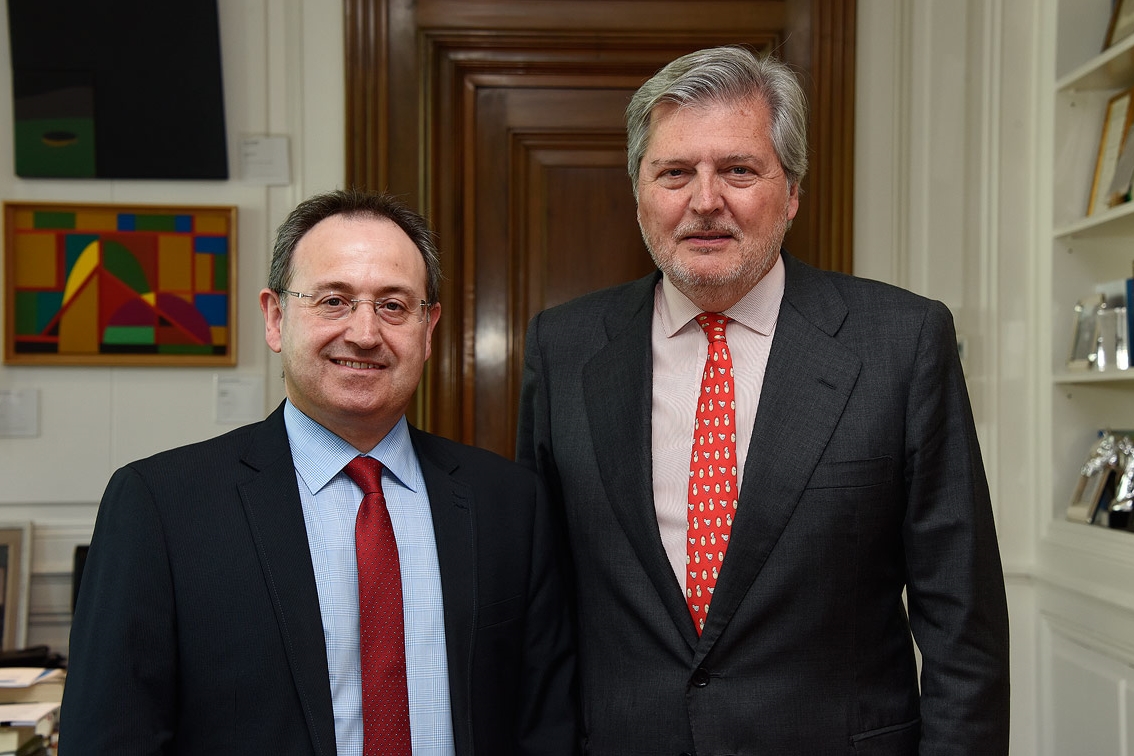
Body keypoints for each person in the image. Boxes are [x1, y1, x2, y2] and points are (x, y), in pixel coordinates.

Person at [516, 45, 1010, 754]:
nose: (705, 200)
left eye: (739, 170)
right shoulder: (563, 348)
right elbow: (544, 607)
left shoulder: (900, 343)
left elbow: (963, 623)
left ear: (794, 191)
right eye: (675, 172)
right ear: (639, 194)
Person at [61, 189, 576, 755]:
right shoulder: (160, 507)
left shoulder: (508, 504)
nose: (363, 332)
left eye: (394, 305)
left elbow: (544, 727)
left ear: (428, 331)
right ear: (276, 317)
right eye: (333, 300)